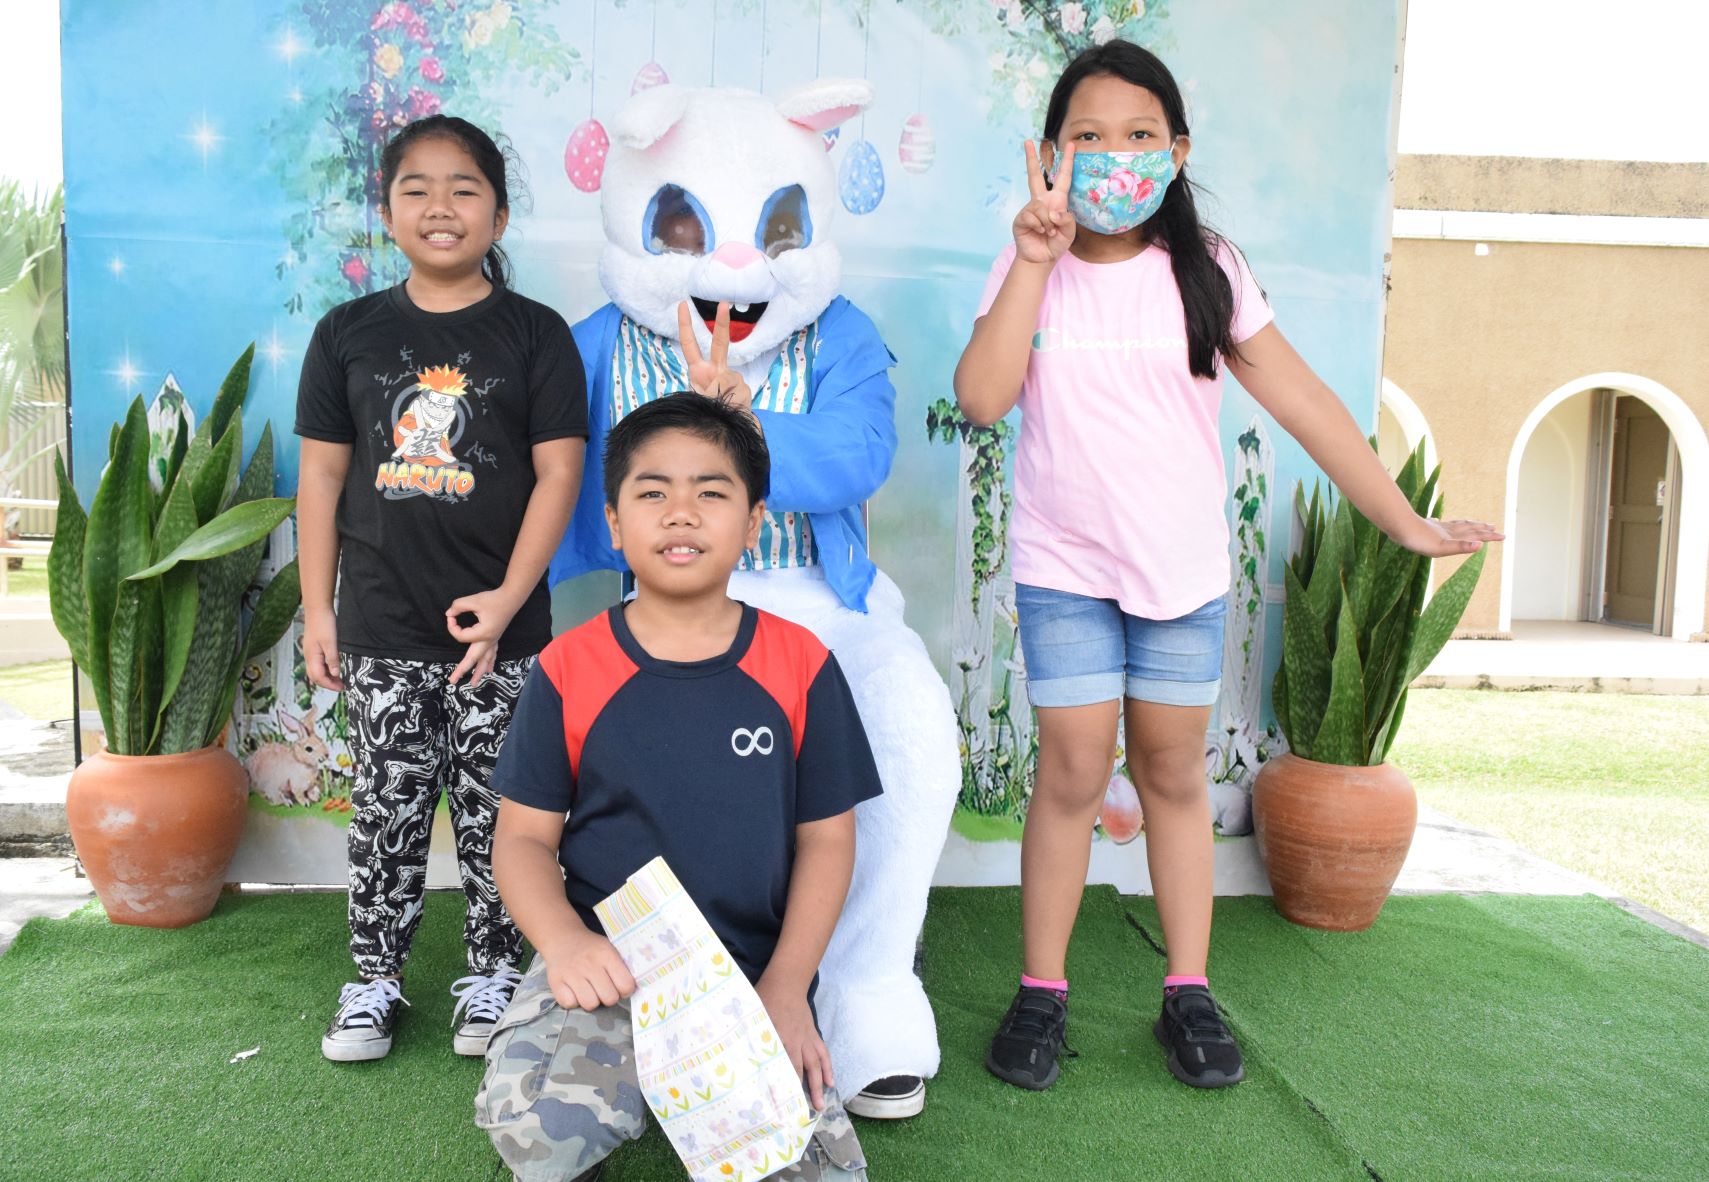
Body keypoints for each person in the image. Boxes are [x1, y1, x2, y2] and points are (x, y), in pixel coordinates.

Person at [953, 41, 1503, 1092]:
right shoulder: (1031, 260)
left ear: (1178, 147)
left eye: (1139, 135)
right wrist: (1030, 258)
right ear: (1051, 155)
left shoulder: (1209, 270)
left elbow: (1305, 403)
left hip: (1182, 576)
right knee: (1069, 771)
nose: (1114, 155)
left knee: (1169, 773)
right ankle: (1043, 990)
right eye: (1088, 136)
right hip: (1064, 566)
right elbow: (982, 396)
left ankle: (1188, 990)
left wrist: (1400, 521)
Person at [551, 80, 959, 1119]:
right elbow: (546, 471)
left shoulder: (844, 337)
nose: (732, 264)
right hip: (663, 615)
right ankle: (678, 980)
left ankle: (864, 989)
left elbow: (865, 454)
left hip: (820, 596)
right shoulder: (597, 341)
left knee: (911, 730)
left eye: (775, 229)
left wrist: (752, 426)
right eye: (683, 226)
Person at [476, 393, 875, 1182]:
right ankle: (617, 1076)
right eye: (652, 493)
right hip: (611, 967)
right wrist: (562, 943)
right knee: (540, 1138)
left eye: (711, 492)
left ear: (754, 522)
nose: (681, 513)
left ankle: (714, 1074)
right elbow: (521, 840)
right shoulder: (568, 668)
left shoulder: (801, 667)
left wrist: (788, 988)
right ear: (616, 525)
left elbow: (828, 840)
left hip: (750, 973)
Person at [293, 114, 588, 1063]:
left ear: (498, 215)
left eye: (464, 189)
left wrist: (507, 601)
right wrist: (318, 609)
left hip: (504, 634)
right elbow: (323, 482)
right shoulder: (348, 334)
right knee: (387, 809)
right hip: (381, 625)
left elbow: (559, 476)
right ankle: (374, 978)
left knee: (501, 812)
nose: (440, 206)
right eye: (416, 189)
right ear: (387, 213)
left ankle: (492, 973)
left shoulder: (535, 335)